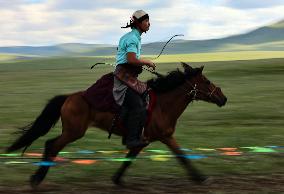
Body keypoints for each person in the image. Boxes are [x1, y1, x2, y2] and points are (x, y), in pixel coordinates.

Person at [113, 10, 155, 149]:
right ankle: (131, 140)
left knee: (145, 96)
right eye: (146, 21)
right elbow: (131, 59)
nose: (149, 24)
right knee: (138, 105)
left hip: (127, 75)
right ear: (138, 23)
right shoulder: (133, 38)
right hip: (123, 77)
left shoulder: (132, 36)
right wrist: (146, 62)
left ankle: (131, 130)